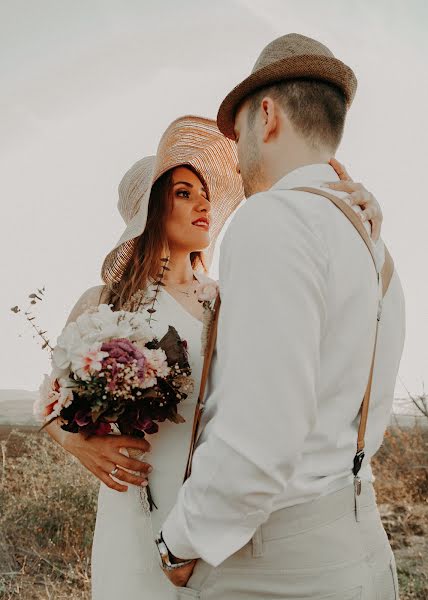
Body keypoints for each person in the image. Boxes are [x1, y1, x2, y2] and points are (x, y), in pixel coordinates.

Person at [47, 116, 382, 598]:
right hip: (131, 501)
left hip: (209, 506)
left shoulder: (229, 297)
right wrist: (77, 444)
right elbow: (52, 400)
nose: (204, 202)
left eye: (204, 192)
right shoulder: (105, 303)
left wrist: (353, 210)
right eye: (184, 193)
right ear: (151, 210)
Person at [159, 35, 405, 600]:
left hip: (275, 563)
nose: (237, 151)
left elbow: (260, 437)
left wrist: (180, 539)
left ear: (266, 115)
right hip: (359, 541)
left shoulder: (272, 219)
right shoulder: (373, 244)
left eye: (238, 130)